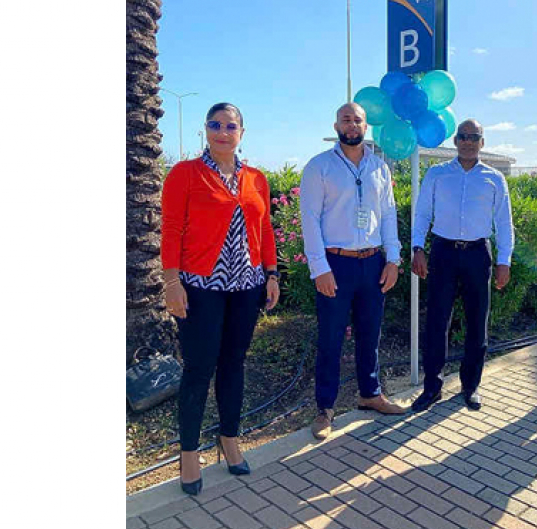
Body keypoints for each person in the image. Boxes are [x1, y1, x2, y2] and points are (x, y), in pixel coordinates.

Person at [160, 102, 279, 495]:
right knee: (198, 368)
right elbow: (172, 229)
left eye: (230, 126)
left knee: (234, 363)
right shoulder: (185, 174)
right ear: (205, 130)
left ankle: (229, 438)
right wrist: (171, 282)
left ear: (241, 133)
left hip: (247, 286)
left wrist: (272, 274)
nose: (222, 132)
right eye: (215, 125)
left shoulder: (256, 178)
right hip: (199, 287)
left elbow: (265, 228)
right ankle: (189, 452)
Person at [299, 102, 406, 441]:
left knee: (370, 334)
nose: (352, 124)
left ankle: (370, 394)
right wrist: (320, 268)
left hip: (373, 262)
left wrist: (394, 259)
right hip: (336, 264)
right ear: (336, 124)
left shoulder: (379, 168)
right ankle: (325, 408)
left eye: (357, 119)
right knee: (330, 338)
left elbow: (388, 215)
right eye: (346, 119)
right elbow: (310, 220)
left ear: (365, 126)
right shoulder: (319, 167)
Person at [410, 119, 514, 412]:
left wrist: (504, 262)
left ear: (483, 142)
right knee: (436, 322)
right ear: (455, 141)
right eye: (463, 136)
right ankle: (432, 387)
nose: (468, 141)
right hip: (443, 252)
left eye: (474, 137)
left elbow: (504, 223)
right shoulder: (437, 174)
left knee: (477, 322)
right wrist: (418, 248)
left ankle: (471, 385)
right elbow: (422, 215)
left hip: (477, 254)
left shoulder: (494, 178)